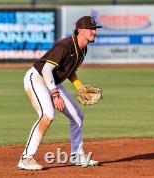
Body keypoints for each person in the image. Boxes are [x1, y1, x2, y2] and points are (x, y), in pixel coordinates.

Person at [17, 16, 102, 170]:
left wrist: (79, 86)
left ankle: (77, 156)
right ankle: (26, 157)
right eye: (91, 29)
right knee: (47, 114)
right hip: (37, 78)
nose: (94, 32)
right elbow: (46, 69)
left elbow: (69, 71)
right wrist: (55, 95)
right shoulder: (65, 45)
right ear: (81, 31)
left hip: (52, 82)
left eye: (95, 29)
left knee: (77, 116)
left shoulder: (83, 50)